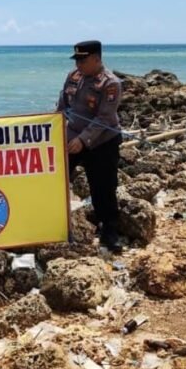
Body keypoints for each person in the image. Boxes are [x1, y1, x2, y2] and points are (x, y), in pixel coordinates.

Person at [57, 40, 123, 253]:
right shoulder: (73, 76)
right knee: (56, 178)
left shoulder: (110, 83)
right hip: (72, 137)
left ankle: (110, 230)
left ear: (96, 59)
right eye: (77, 60)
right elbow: (63, 104)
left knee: (103, 187)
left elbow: (104, 118)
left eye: (83, 60)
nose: (79, 65)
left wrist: (83, 140)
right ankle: (52, 223)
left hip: (102, 141)